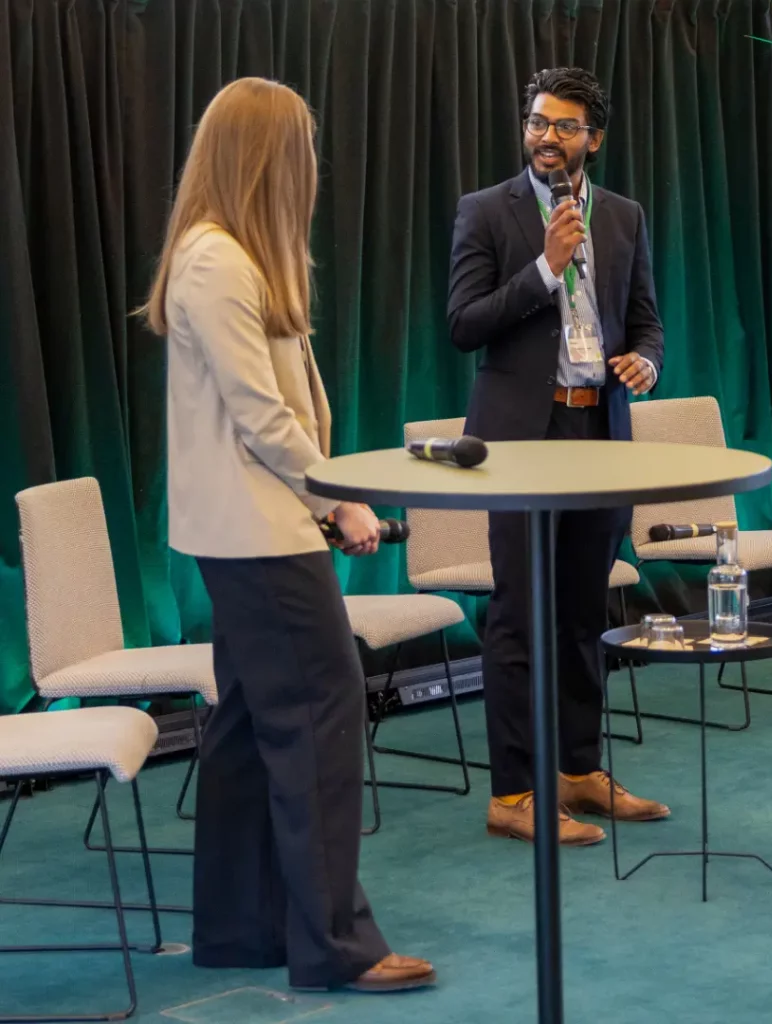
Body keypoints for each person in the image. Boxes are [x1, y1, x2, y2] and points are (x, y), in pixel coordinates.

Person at [140, 78, 434, 993]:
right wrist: (341, 503)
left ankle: (241, 930)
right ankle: (335, 945)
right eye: (300, 152)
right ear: (267, 158)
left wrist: (322, 507)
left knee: (246, 730)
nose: (311, 170)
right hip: (260, 541)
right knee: (318, 719)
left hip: (253, 531)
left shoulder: (219, 255)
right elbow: (263, 419)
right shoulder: (220, 262)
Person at [448, 67, 670, 846]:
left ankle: (578, 771)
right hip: (519, 446)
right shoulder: (486, 212)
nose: (546, 136)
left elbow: (644, 322)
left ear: (593, 139)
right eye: (538, 121)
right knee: (518, 616)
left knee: (583, 612)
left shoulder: (624, 217)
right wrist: (544, 269)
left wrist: (647, 361)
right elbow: (465, 324)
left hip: (597, 436)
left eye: (564, 125)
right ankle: (513, 793)